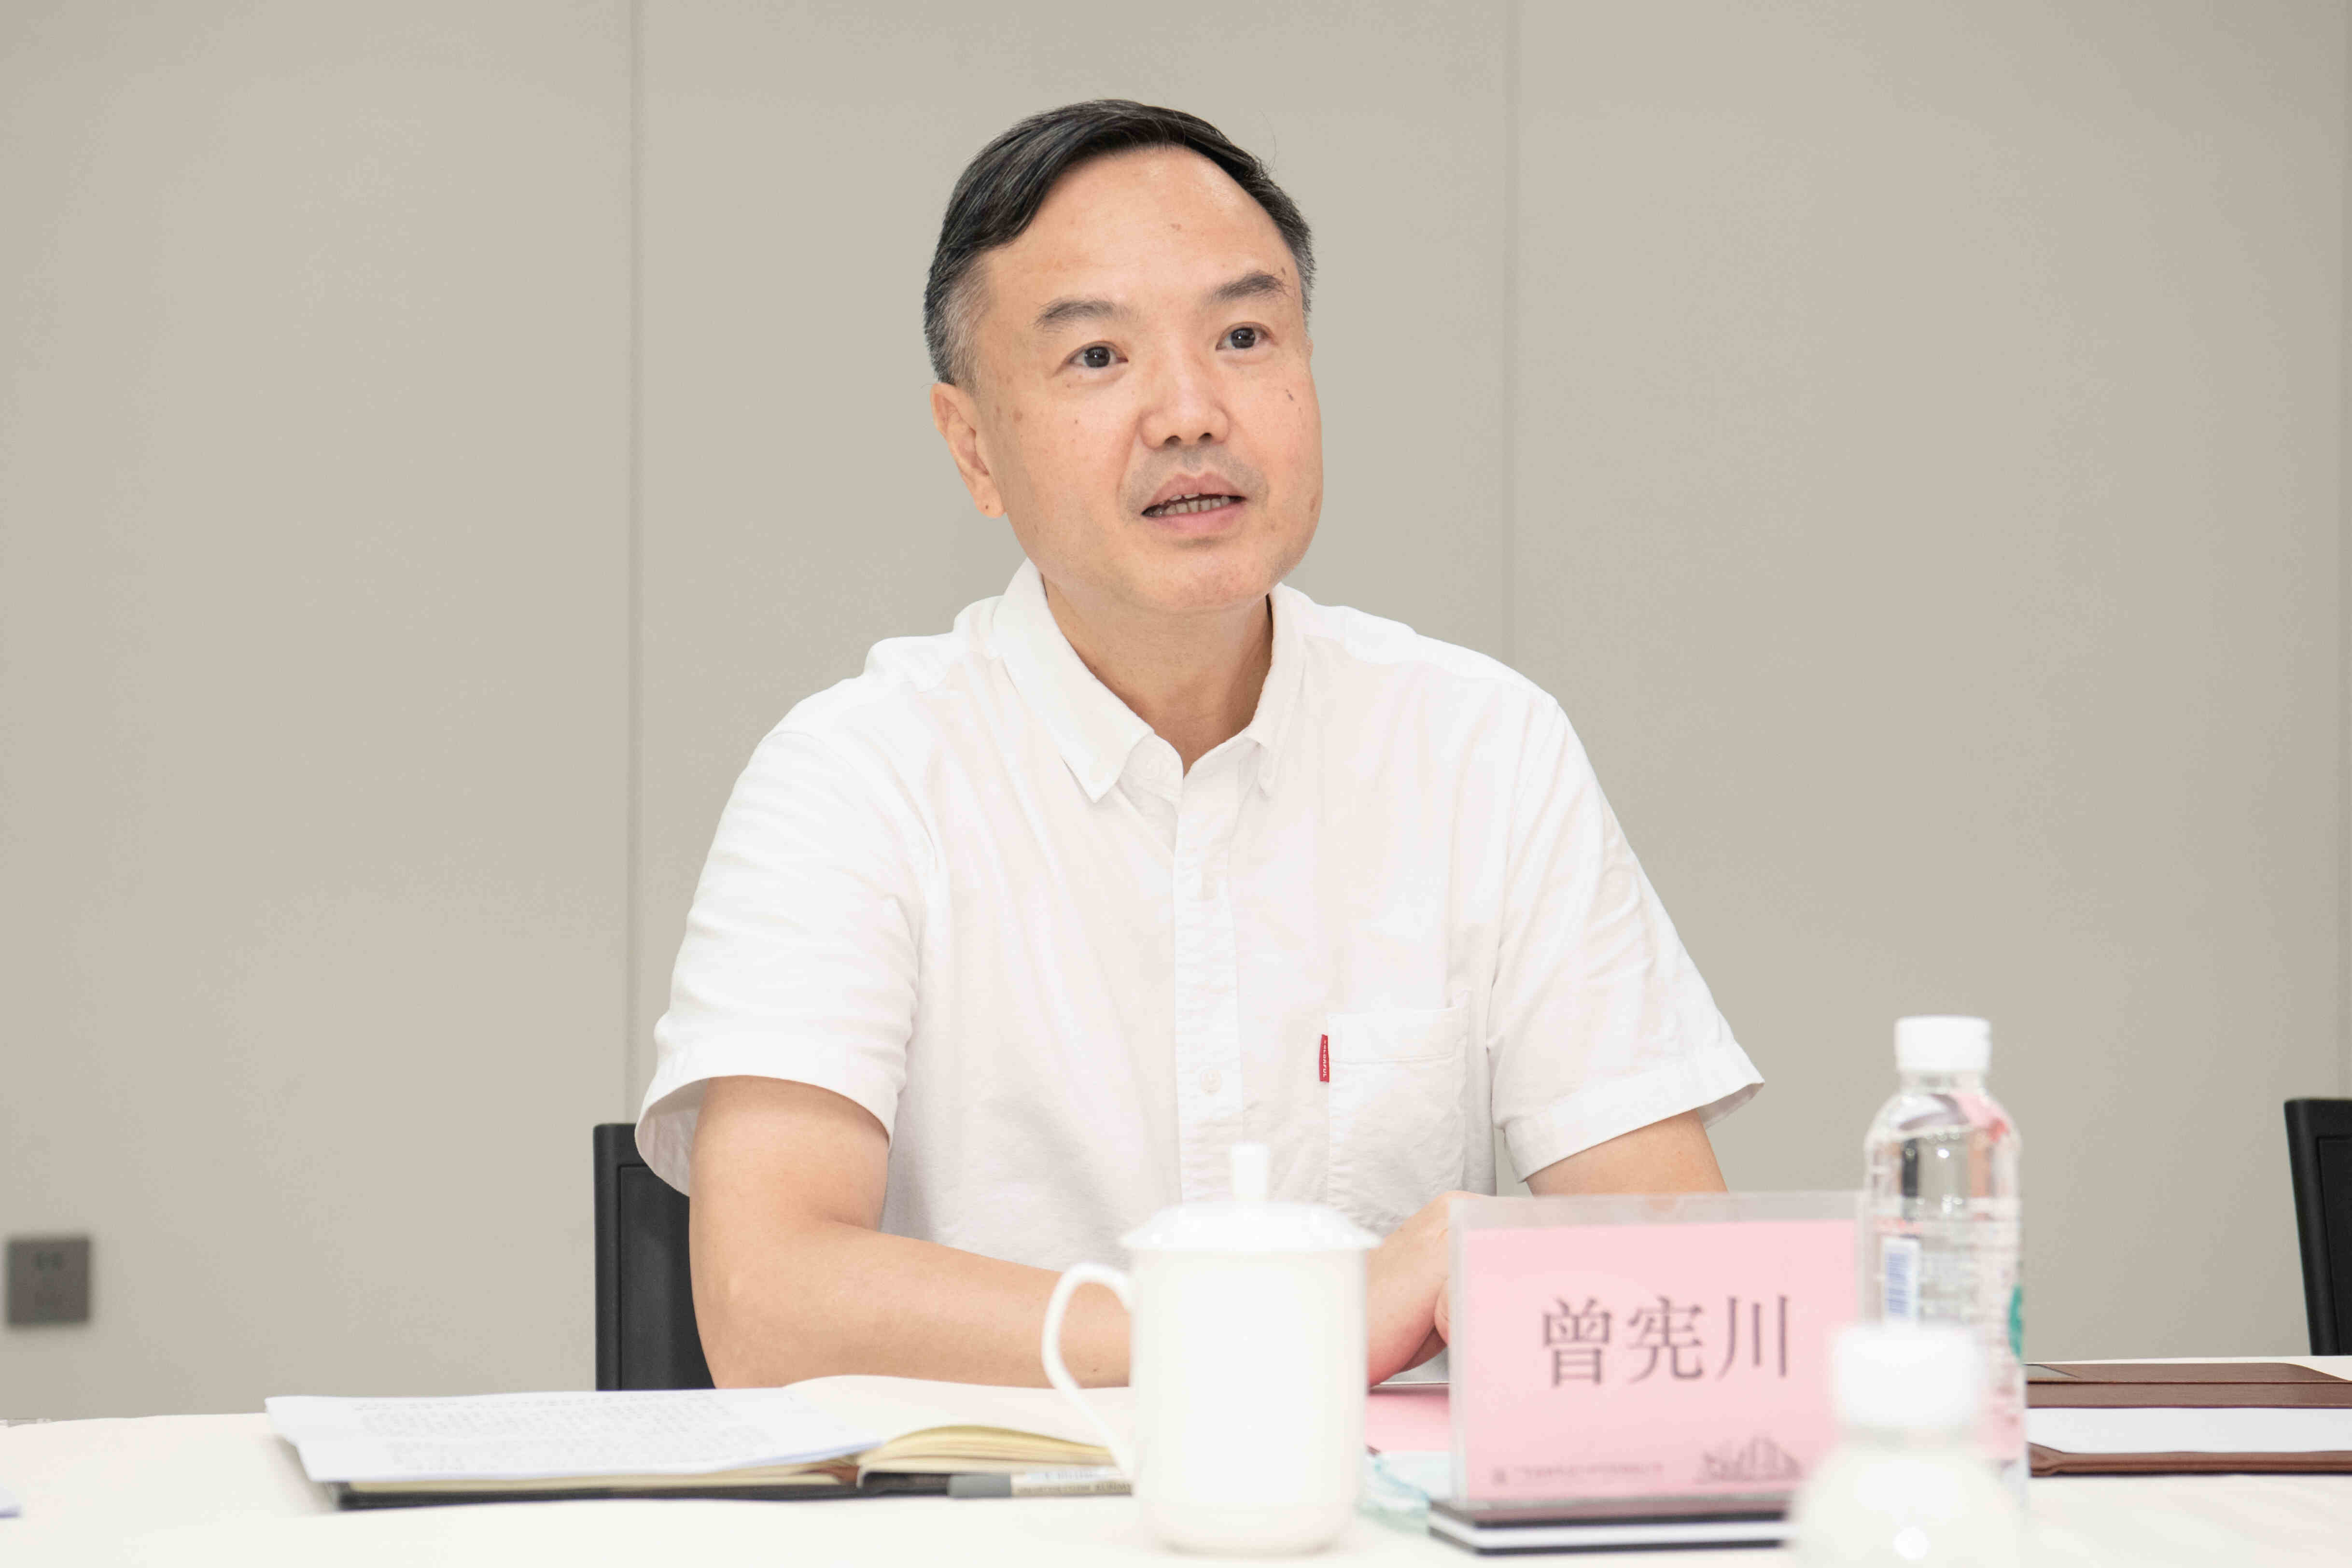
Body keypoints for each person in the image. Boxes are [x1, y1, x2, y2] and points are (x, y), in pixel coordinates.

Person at [635, 99, 1761, 1390]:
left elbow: (1682, 1279)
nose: (1189, 412)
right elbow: (768, 1305)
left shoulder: (1480, 746)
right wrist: (1281, 1333)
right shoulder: (856, 780)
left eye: (1242, 337)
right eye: (1097, 356)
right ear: (973, 447)